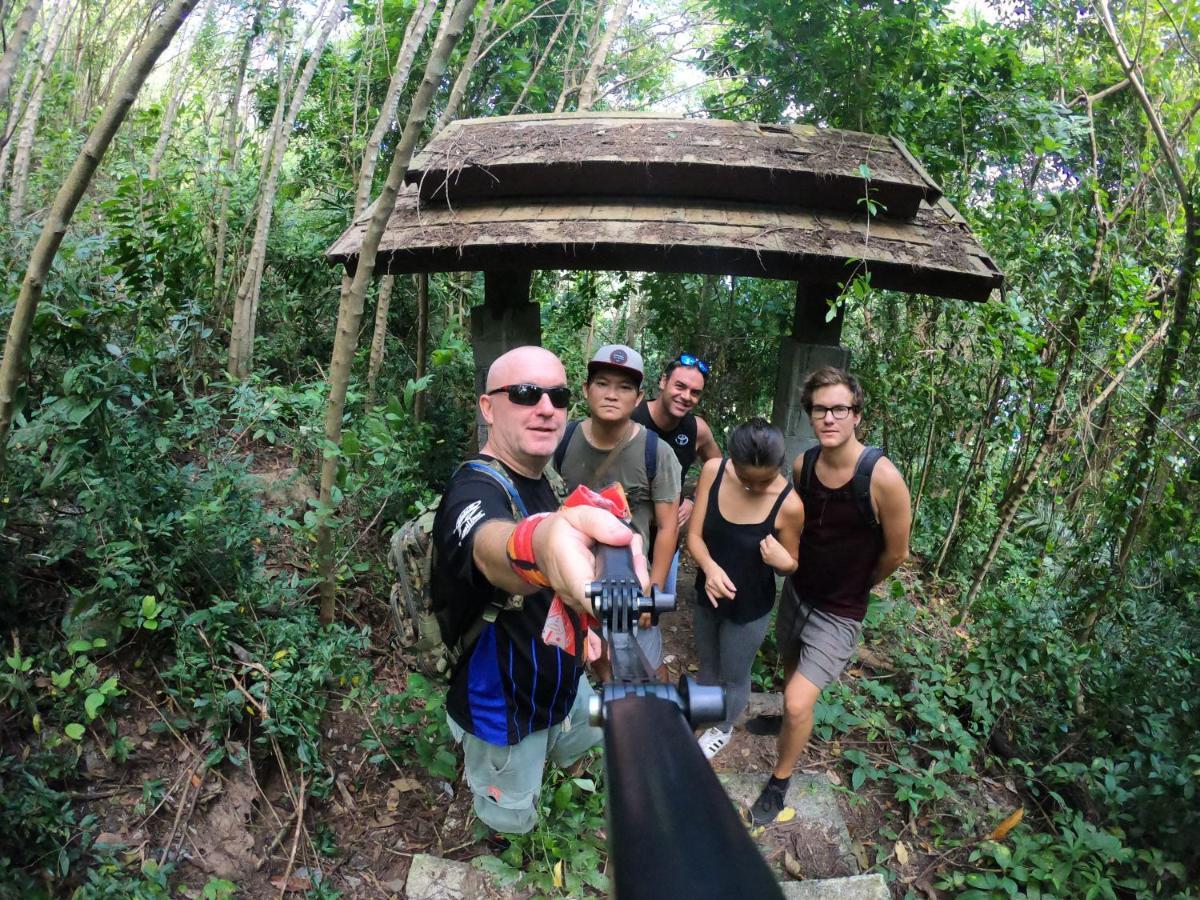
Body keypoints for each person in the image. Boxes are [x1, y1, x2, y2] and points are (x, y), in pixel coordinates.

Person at [431, 345, 649, 836]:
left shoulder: (538, 476)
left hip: (559, 678)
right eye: (526, 394)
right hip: (502, 708)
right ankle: (511, 846)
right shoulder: (472, 491)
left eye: (558, 395)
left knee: (582, 741)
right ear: (488, 408)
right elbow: (493, 546)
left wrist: (585, 630)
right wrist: (544, 542)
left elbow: (548, 589)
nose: (546, 407)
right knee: (511, 815)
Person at [749, 367, 911, 824]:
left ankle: (780, 780)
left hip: (840, 610)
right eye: (820, 409)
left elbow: (896, 553)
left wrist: (855, 585)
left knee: (801, 700)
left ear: (857, 414)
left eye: (840, 408)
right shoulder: (804, 465)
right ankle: (784, 720)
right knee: (789, 664)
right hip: (800, 591)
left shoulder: (883, 478)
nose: (829, 418)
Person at [554, 344, 682, 679]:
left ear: (639, 398)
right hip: (575, 577)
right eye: (602, 384)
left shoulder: (657, 452)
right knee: (598, 661)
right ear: (586, 390)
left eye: (624, 387)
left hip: (633, 580)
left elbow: (668, 527)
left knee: (648, 667)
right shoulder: (562, 442)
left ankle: (660, 717)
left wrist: (653, 590)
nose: (612, 395)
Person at [686, 418, 804, 760]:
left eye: (763, 480)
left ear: (778, 467)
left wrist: (782, 560)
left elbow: (792, 563)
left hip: (750, 607)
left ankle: (722, 729)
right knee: (707, 664)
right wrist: (709, 569)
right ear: (732, 462)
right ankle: (705, 716)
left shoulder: (790, 504)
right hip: (708, 594)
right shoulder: (713, 470)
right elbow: (693, 536)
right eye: (744, 477)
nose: (752, 487)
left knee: (735, 674)